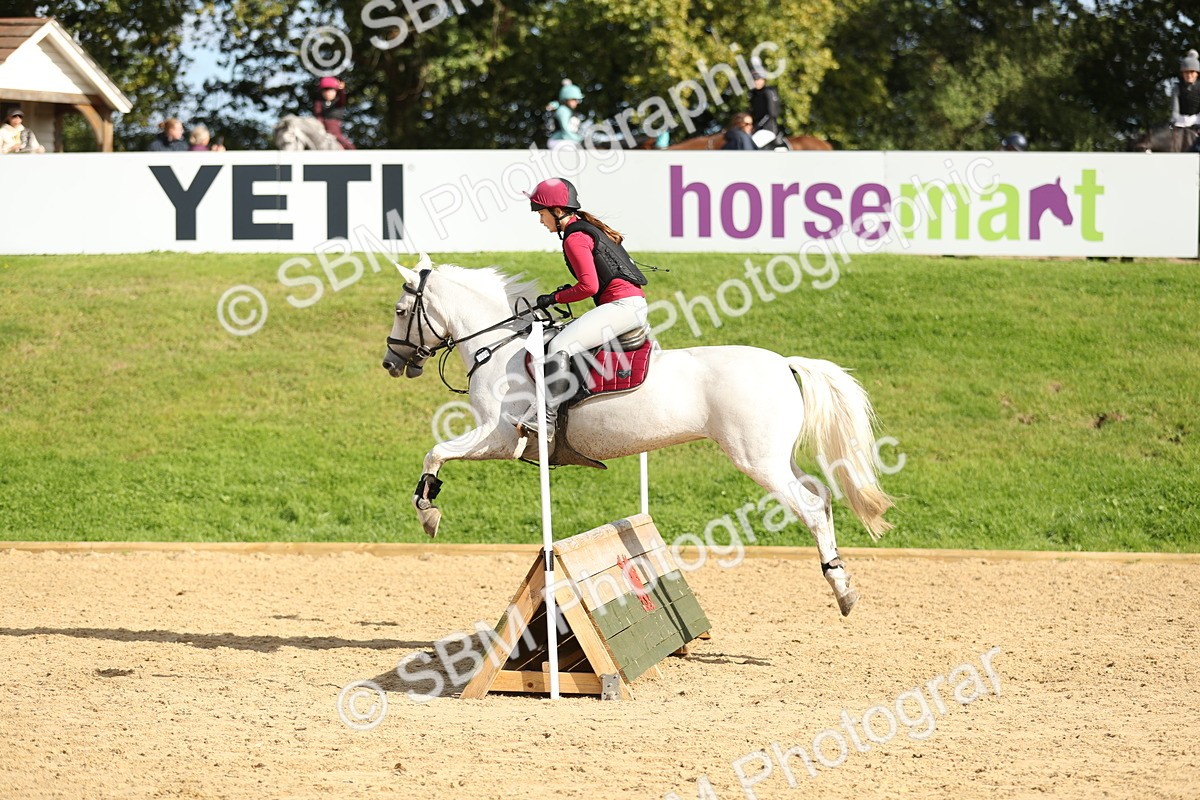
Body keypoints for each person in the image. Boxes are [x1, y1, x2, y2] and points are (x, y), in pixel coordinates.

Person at [517, 177, 650, 447]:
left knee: (558, 345)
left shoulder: (575, 238)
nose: (541, 221)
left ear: (556, 210)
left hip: (621, 306)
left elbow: (588, 286)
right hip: (629, 305)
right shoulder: (586, 229)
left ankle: (546, 419)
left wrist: (553, 297)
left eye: (542, 214)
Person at [1171, 50, 1200, 152]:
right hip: (1181, 120)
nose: (1189, 75)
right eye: (1186, 72)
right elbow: (1175, 109)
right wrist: (1174, 120)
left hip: (1197, 120)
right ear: (1182, 73)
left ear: (1197, 73)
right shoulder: (1177, 87)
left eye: (1192, 72)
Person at [313, 76, 354, 150]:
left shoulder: (338, 102)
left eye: (331, 91)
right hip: (322, 127)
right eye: (325, 91)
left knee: (341, 139)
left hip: (334, 127)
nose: (328, 93)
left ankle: (352, 150)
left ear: (335, 92)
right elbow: (318, 115)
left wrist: (342, 90)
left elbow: (342, 98)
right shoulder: (319, 103)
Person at [748, 70, 783, 148]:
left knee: (751, 144)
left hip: (767, 129)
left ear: (764, 80)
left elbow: (772, 113)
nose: (756, 82)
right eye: (754, 80)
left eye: (758, 79)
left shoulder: (768, 92)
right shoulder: (753, 94)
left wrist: (757, 126)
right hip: (756, 129)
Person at [547, 80, 585, 150]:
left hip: (563, 141)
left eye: (577, 100)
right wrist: (578, 138)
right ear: (566, 99)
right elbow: (565, 130)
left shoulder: (568, 111)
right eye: (574, 99)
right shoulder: (563, 111)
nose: (576, 102)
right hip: (558, 141)